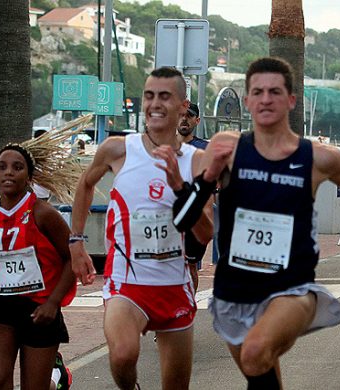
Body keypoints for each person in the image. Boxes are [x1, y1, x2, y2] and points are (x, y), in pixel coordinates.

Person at [171, 57, 340, 389]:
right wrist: (207, 178)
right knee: (261, 372)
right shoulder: (228, 148)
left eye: (275, 92)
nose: (266, 99)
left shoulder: (319, 157)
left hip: (292, 288)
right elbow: (188, 219)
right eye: (258, 92)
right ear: (248, 100)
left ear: (291, 100)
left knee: (255, 353)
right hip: (234, 289)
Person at [69, 67, 213, 390]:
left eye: (165, 96)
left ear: (183, 106)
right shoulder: (118, 149)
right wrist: (76, 241)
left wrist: (180, 188)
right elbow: (85, 184)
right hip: (127, 285)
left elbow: (205, 233)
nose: (155, 103)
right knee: (122, 355)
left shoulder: (196, 161)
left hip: (174, 285)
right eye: (149, 96)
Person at [0, 140, 77, 389]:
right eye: (2, 167)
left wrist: (53, 303)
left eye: (17, 167)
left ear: (29, 176)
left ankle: (57, 376)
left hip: (39, 309)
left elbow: (72, 257)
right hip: (0, 304)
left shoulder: (43, 214)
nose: (8, 172)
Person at [177, 102, 210, 280]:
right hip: (168, 215)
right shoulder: (163, 147)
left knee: (190, 267)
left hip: (196, 218)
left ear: (196, 121)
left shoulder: (205, 148)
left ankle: (190, 305)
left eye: (189, 116)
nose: (184, 119)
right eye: (181, 115)